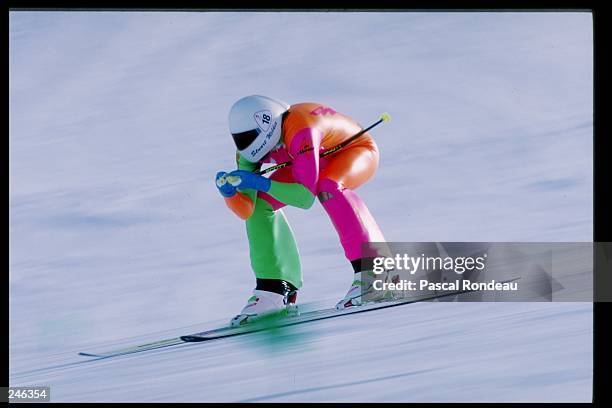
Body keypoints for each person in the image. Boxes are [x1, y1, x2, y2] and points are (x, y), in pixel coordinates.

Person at [216, 95, 388, 326]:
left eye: (249, 138)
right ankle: (275, 291)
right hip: (306, 160)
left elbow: (305, 197)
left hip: (353, 151)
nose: (248, 147)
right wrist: (230, 193)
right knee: (261, 205)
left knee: (328, 186)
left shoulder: (300, 128)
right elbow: (247, 211)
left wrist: (262, 183)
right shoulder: (248, 153)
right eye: (240, 140)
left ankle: (377, 271)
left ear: (267, 123)